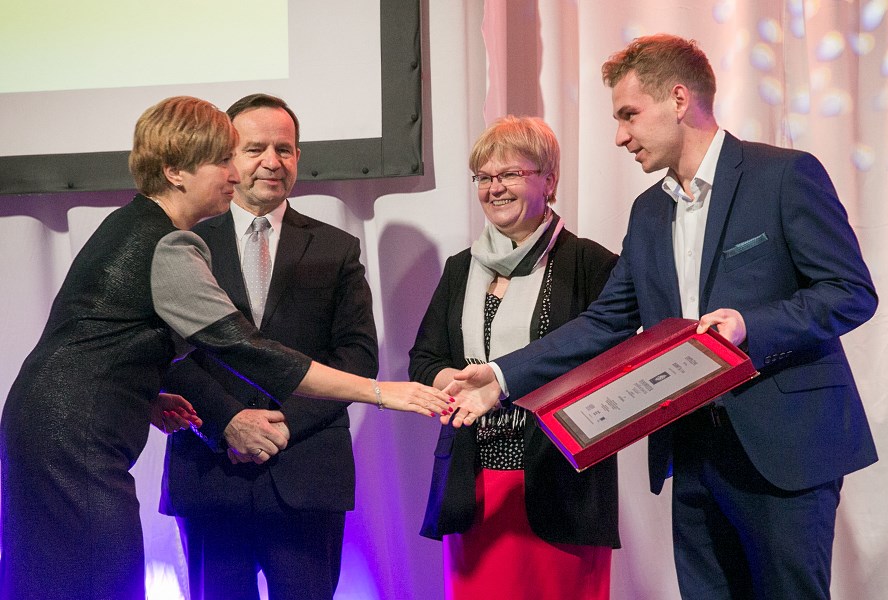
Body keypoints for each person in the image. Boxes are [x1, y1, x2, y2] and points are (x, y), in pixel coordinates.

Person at [447, 35, 878, 599]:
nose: (619, 136)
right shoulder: (648, 211)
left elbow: (850, 292)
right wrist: (501, 376)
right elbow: (605, 322)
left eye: (628, 114)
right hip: (692, 450)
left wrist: (752, 326)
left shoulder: (784, 175)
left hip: (786, 448)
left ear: (678, 99)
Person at [0, 96, 450, 600]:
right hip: (73, 440)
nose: (235, 173)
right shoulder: (169, 244)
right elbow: (245, 349)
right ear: (174, 171)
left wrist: (145, 393)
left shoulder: (134, 224)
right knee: (97, 583)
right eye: (222, 160)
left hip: (51, 426)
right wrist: (381, 392)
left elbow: (103, 335)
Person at [158, 93, 377, 600]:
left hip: (306, 470)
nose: (272, 162)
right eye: (255, 148)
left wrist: (275, 428)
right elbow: (166, 350)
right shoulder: (184, 242)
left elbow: (357, 357)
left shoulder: (337, 248)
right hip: (211, 470)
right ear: (227, 157)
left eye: (285, 149)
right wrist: (228, 424)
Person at [409, 116, 620, 600]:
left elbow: (607, 363)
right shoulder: (460, 268)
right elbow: (423, 359)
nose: (494, 188)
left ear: (549, 180)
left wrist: (505, 384)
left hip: (559, 484)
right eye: (484, 177)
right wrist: (459, 382)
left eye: (510, 174)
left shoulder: (591, 264)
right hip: (474, 485)